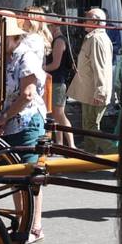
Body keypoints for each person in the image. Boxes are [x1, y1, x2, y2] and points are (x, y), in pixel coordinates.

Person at [0, 16, 47, 243]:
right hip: (7, 121)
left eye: (2, 37)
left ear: (14, 36)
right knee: (13, 175)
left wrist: (4, 116)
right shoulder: (1, 56)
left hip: (27, 120)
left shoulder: (26, 56)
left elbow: (27, 95)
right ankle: (23, 221)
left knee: (31, 175)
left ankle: (35, 226)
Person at [68, 8, 113, 155]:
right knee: (89, 126)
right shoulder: (95, 38)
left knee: (90, 127)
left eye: (86, 17)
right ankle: (89, 156)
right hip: (90, 91)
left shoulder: (96, 39)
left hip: (94, 91)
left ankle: (118, 153)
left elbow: (101, 67)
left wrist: (100, 91)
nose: (83, 21)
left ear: (95, 20)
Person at [44, 17, 75, 147]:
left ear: (55, 26)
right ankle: (60, 144)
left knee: (60, 115)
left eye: (48, 26)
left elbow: (55, 65)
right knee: (56, 116)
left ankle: (72, 145)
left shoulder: (59, 41)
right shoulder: (57, 40)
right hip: (55, 82)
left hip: (58, 82)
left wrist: (39, 68)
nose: (47, 29)